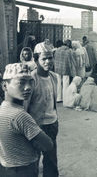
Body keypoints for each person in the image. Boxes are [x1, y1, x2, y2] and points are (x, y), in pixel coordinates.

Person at [0, 63, 53, 177]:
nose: (28, 87)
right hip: (24, 170)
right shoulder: (20, 116)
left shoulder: (2, 109)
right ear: (5, 86)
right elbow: (48, 145)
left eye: (31, 82)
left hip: (6, 167)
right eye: (21, 82)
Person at [25, 46, 59, 177]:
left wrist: (55, 120)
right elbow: (25, 107)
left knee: (51, 160)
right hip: (36, 127)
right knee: (33, 161)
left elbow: (53, 103)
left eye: (50, 58)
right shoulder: (31, 79)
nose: (48, 62)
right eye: (44, 58)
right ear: (36, 59)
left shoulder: (54, 77)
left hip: (52, 124)